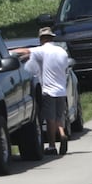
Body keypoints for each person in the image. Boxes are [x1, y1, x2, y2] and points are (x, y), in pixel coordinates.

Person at [19, 27, 73, 156]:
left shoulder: (42, 50)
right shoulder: (61, 51)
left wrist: (9, 52)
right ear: (52, 37)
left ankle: (52, 146)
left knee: (50, 120)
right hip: (61, 91)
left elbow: (25, 51)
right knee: (59, 118)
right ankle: (62, 134)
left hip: (49, 91)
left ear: (42, 39)